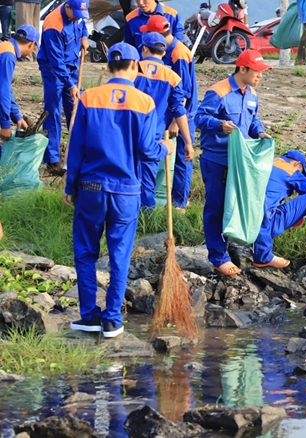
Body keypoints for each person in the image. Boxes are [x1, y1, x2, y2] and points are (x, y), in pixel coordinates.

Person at [65, 42, 174, 338]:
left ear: (108, 67)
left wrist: (70, 185)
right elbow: (147, 150)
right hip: (126, 190)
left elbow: (76, 148)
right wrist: (166, 147)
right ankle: (112, 319)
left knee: (85, 252)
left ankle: (89, 316)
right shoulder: (145, 102)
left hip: (90, 187)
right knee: (120, 254)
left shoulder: (89, 97)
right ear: (135, 66)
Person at [194, 49, 272, 276]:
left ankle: (253, 250)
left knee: (246, 204)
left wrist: (260, 132)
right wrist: (219, 125)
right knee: (216, 207)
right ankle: (218, 257)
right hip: (216, 159)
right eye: (257, 71)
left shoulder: (252, 94)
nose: (260, 75)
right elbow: (199, 118)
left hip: (241, 161)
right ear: (243, 69)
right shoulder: (219, 91)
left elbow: (253, 120)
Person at [140, 15, 198, 211]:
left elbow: (184, 95)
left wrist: (174, 122)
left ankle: (179, 203)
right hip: (163, 121)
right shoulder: (168, 69)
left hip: (179, 116)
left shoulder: (178, 54)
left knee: (181, 159)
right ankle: (151, 209)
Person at [38, 0, 90, 176]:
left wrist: (84, 37)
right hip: (53, 70)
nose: (78, 18)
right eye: (76, 14)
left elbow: (82, 25)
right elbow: (56, 61)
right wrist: (70, 85)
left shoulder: (77, 14)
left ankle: (77, 154)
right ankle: (53, 159)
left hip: (72, 66)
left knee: (77, 109)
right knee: (53, 111)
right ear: (67, 7)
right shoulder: (53, 25)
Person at [0, 25, 38, 143]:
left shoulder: (6, 48)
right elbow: (3, 90)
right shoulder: (8, 55)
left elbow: (6, 89)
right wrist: (5, 124)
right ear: (31, 44)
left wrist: (17, 116)